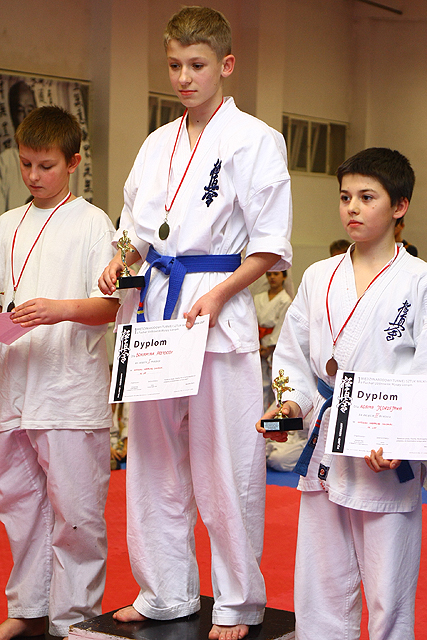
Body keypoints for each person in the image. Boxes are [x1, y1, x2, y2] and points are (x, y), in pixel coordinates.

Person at [99, 6, 292, 640]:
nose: (184, 78)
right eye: (175, 65)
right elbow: (133, 229)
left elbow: (269, 247)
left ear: (226, 65)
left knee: (226, 462)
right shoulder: (156, 143)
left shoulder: (255, 139)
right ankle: (164, 592)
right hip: (156, 312)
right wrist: (119, 262)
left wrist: (220, 295)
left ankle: (238, 600)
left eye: (197, 65)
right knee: (152, 463)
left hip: (216, 311)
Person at [257, 147, 425, 640]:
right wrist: (291, 404)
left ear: (400, 206)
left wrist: (402, 440)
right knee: (321, 585)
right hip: (329, 445)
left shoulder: (418, 281)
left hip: (384, 454)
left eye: (367, 197)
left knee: (388, 592)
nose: (352, 207)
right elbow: (292, 356)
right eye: (345, 196)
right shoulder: (318, 276)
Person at [0, 105, 120, 640]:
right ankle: (28, 609)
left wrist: (58, 309)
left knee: (76, 513)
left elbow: (110, 306)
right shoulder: (6, 224)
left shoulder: (94, 223)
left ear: (73, 162)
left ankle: (73, 619)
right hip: (13, 383)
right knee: (19, 505)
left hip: (69, 388)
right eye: (25, 164)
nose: (33, 176)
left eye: (45, 165)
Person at [254, 271, 291, 411]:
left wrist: (269, 347)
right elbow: (252, 321)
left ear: (284, 276)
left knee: (274, 385)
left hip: (274, 347)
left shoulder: (285, 300)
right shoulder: (258, 298)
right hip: (257, 344)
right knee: (258, 384)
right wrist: (257, 343)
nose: (272, 277)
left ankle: (272, 415)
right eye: (269, 274)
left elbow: (282, 325)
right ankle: (258, 415)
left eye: (276, 274)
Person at [0, 81, 37, 214]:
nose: (27, 117)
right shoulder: (6, 161)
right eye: (20, 111)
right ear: (12, 115)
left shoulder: (55, 158)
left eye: (30, 110)